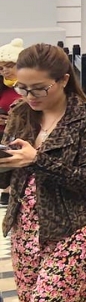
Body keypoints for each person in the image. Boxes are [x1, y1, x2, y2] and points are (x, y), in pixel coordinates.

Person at [0, 43, 86, 302]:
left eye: (39, 88)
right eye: (22, 87)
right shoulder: (19, 112)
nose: (29, 95)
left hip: (72, 230)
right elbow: (5, 181)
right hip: (24, 230)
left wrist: (37, 159)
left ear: (63, 80)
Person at [0, 38, 26, 206]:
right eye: (1, 67)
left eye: (9, 66)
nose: (4, 71)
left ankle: (11, 187)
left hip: (21, 134)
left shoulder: (28, 86)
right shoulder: (3, 86)